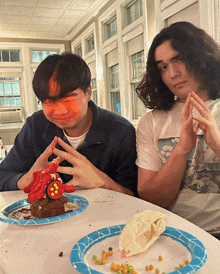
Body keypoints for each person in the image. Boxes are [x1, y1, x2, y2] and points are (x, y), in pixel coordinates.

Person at [0, 53, 137, 196]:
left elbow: (137, 197)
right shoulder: (36, 126)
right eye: (49, 101)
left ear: (88, 93)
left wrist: (104, 182)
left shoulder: (121, 131)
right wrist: (23, 179)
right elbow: (3, 175)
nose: (60, 111)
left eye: (69, 98)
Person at [136, 21, 220, 237]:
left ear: (202, 58)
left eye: (179, 60)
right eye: (163, 67)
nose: (173, 74)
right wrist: (181, 149)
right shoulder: (151, 122)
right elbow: (152, 199)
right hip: (167, 232)